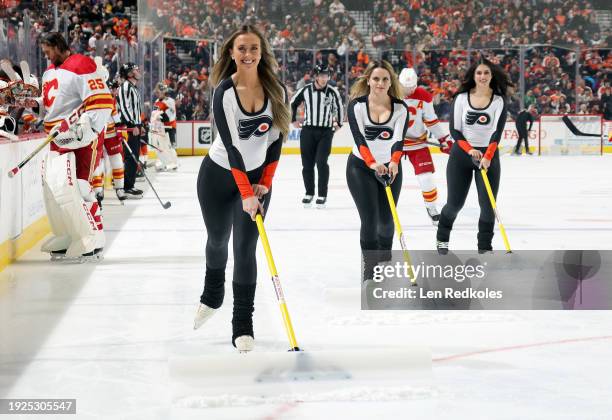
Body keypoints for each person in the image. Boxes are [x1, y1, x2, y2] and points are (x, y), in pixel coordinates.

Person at [193, 25, 289, 353]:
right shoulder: (224, 92)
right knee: (218, 240)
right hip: (219, 177)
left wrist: (264, 183)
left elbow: (276, 142)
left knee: (245, 249)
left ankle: (242, 323)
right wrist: (245, 192)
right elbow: (232, 147)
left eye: (253, 49)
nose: (247, 54)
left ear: (262, 53)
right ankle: (212, 292)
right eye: (241, 49)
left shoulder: (277, 90)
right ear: (231, 53)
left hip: (258, 182)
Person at [37, 32, 113, 259]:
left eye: (48, 50)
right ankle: (68, 233)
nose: (46, 55)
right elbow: (50, 103)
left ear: (58, 46)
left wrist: (87, 129)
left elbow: (101, 99)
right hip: (57, 137)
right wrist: (33, 102)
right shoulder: (49, 71)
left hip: (81, 137)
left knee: (79, 186)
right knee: (56, 188)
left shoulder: (81, 64)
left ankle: (93, 236)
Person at [436, 56, 512, 254]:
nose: (483, 76)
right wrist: (470, 150)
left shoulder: (498, 101)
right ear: (473, 75)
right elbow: (455, 130)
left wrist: (487, 156)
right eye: (479, 72)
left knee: (488, 207)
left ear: (492, 75)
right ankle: (442, 239)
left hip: (488, 157)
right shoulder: (461, 98)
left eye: (486, 72)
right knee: (454, 204)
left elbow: (497, 133)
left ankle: (484, 248)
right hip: (462, 156)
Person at [346, 60, 408, 280]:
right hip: (361, 168)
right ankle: (370, 269)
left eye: (385, 79)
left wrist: (393, 162)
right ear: (368, 81)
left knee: (386, 219)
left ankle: (385, 257)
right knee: (370, 220)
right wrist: (373, 163)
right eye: (376, 79)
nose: (380, 83)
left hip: (390, 168)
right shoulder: (357, 106)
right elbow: (359, 139)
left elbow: (398, 140)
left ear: (391, 82)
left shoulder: (400, 108)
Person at [398, 68, 453, 225]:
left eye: (411, 87)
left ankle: (431, 207)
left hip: (417, 143)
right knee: (387, 177)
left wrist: (444, 139)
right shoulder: (390, 94)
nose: (409, 91)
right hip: (395, 144)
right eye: (405, 87)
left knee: (426, 177)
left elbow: (431, 120)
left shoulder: (423, 96)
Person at [290, 65, 343, 208]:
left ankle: (322, 195)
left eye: (327, 75)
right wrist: (293, 120)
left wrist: (338, 124)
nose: (324, 78)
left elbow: (339, 107)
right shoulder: (306, 90)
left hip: (325, 132)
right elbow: (293, 103)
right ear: (316, 76)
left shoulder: (333, 92)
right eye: (322, 75)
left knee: (321, 162)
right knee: (307, 164)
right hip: (307, 131)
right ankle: (309, 193)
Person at [91, 61, 126, 205]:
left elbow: (116, 116)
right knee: (96, 162)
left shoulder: (109, 96)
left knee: (115, 159)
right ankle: (98, 190)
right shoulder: (91, 93)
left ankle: (118, 188)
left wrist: (121, 129)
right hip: (96, 132)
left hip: (108, 132)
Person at [116, 62, 144, 198]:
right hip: (130, 127)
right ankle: (127, 186)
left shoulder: (133, 88)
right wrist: (132, 125)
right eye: (135, 69)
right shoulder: (126, 87)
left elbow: (135, 110)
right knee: (130, 156)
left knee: (134, 156)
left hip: (135, 126)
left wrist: (140, 125)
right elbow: (125, 108)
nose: (138, 70)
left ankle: (130, 185)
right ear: (129, 73)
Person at [153, 82, 177, 148]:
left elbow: (170, 116)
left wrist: (160, 115)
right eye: (156, 92)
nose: (156, 94)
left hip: (170, 126)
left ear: (163, 91)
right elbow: (155, 115)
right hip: (161, 127)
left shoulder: (170, 101)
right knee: (162, 147)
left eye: (158, 92)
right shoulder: (157, 101)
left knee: (171, 146)